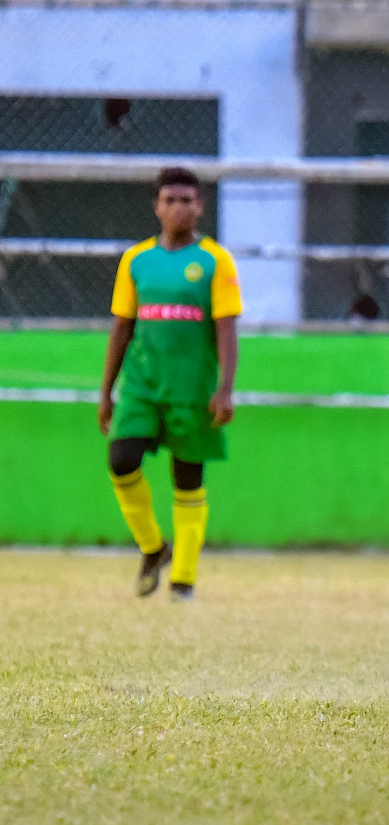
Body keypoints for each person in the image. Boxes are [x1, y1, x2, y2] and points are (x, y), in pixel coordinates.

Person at [99, 167, 241, 602]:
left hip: (191, 388)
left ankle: (183, 580)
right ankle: (153, 547)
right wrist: (106, 391)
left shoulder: (215, 261)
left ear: (200, 206)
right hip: (142, 385)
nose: (179, 207)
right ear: (157, 206)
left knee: (188, 480)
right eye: (170, 200)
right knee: (122, 459)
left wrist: (225, 388)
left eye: (187, 200)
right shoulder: (136, 260)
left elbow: (226, 328)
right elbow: (122, 328)